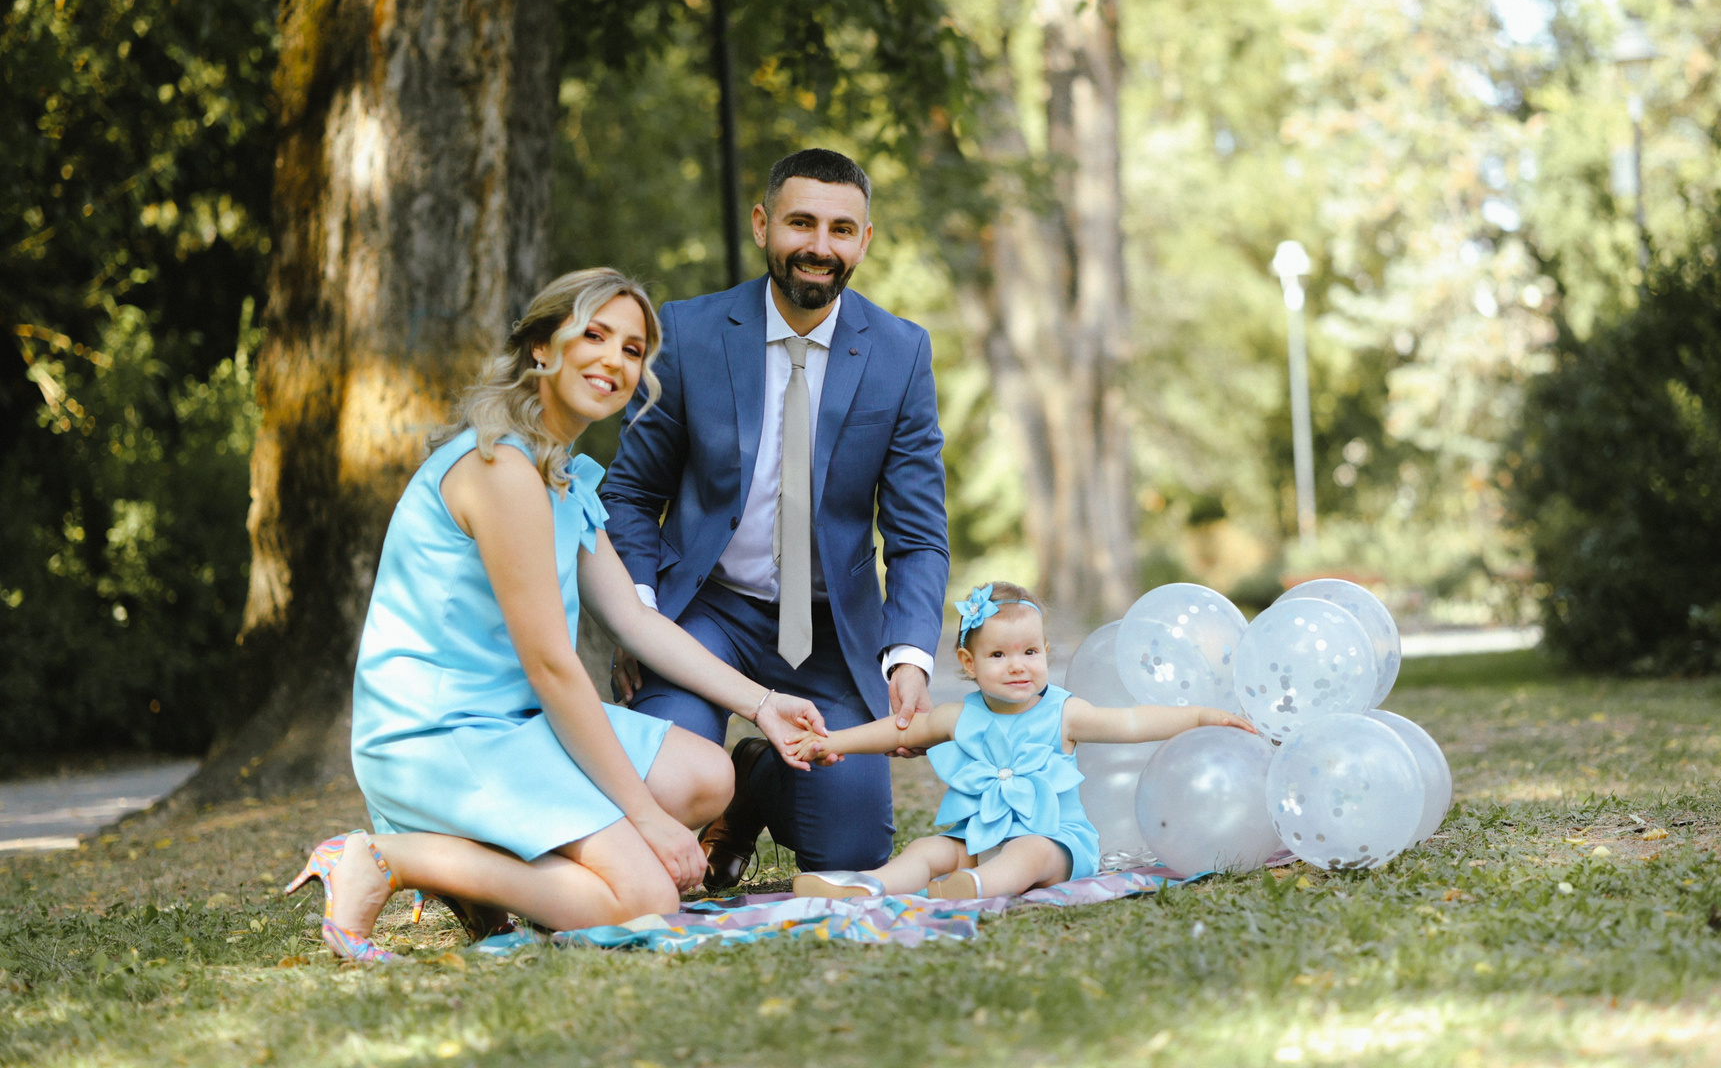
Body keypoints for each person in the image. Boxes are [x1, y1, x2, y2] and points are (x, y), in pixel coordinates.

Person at [288, 268, 830, 963]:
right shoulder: (501, 471)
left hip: (512, 723)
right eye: (594, 335)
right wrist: (645, 821)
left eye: (632, 349)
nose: (614, 360)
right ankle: (390, 858)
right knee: (646, 902)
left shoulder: (560, 475)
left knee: (706, 776)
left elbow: (634, 622)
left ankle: (485, 869)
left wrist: (763, 704)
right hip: (441, 734)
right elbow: (551, 666)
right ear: (542, 348)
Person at [601, 148, 948, 887]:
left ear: (864, 241)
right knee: (666, 781)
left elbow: (918, 535)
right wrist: (640, 613)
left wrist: (910, 656)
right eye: (801, 223)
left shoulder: (900, 352)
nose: (820, 246)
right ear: (763, 225)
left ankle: (754, 781)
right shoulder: (688, 333)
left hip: (827, 631)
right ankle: (711, 782)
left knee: (851, 850)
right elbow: (630, 493)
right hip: (706, 612)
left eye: (841, 229)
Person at [788, 582, 1259, 901]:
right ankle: (868, 886)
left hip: (1056, 843)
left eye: (1030, 652)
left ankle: (975, 887)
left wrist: (1201, 715)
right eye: (998, 654)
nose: (1018, 665)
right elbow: (900, 730)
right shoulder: (959, 716)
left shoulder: (1064, 713)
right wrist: (836, 742)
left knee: (1028, 852)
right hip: (980, 837)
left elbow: (1133, 721)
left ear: (1046, 653)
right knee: (929, 849)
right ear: (969, 664)